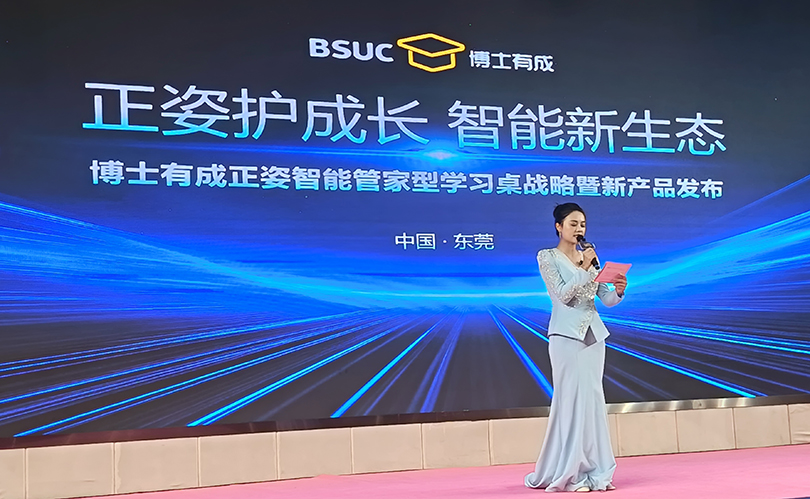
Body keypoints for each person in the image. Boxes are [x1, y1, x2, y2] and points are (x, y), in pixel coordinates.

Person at [524, 203, 628, 493]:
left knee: (592, 401)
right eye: (573, 224)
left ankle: (596, 469)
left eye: (582, 224)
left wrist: (619, 290)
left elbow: (605, 299)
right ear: (559, 226)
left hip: (594, 337)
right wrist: (583, 268)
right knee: (570, 400)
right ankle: (569, 471)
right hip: (566, 337)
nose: (579, 229)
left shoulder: (590, 259)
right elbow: (564, 296)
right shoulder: (547, 256)